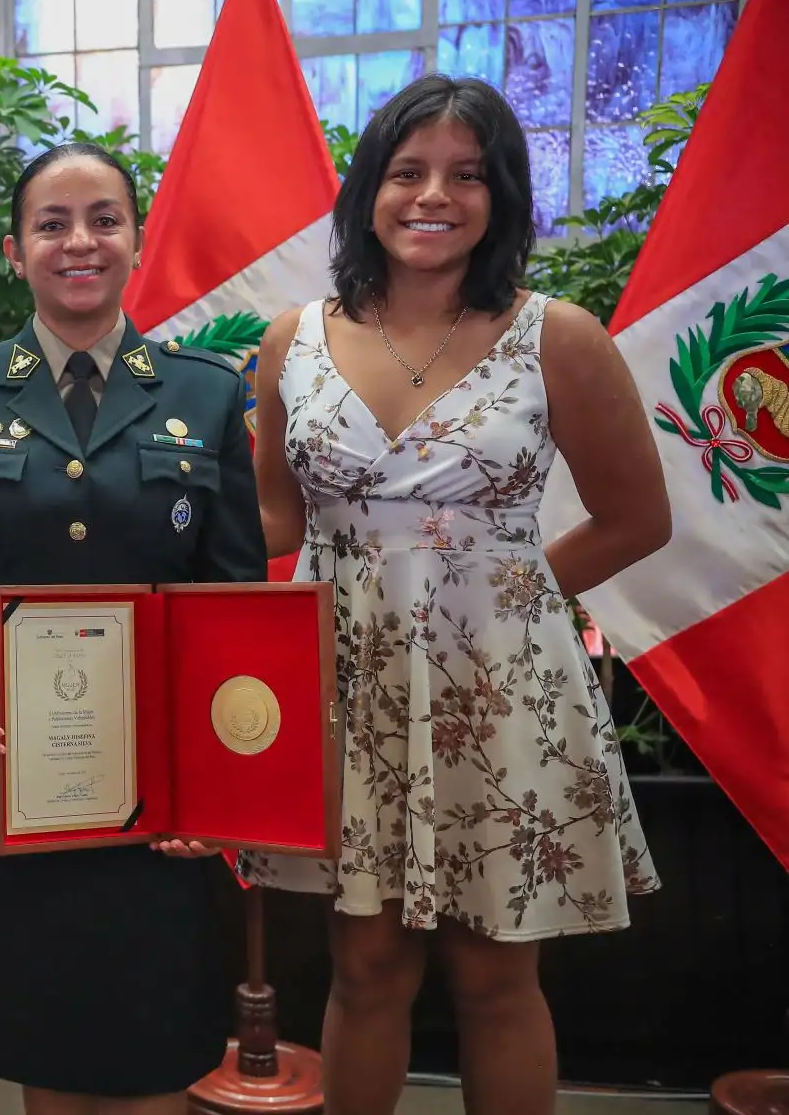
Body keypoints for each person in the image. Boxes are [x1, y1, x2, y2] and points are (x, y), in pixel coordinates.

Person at [238, 74, 671, 1115]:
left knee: (494, 976)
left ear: (502, 197)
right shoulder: (290, 341)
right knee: (366, 969)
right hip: (347, 692)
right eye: (407, 171)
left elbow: (637, 519)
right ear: (368, 195)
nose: (434, 195)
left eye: (467, 175)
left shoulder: (554, 335)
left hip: (502, 695)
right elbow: (274, 529)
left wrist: (506, 601)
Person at [0, 142, 267, 1114]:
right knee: (44, 1045)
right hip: (14, 776)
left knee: (156, 1047)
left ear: (136, 239)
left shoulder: (207, 393)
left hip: (157, 792)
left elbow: (231, 601)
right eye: (52, 224)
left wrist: (211, 786)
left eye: (103, 218)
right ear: (16, 251)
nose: (78, 241)